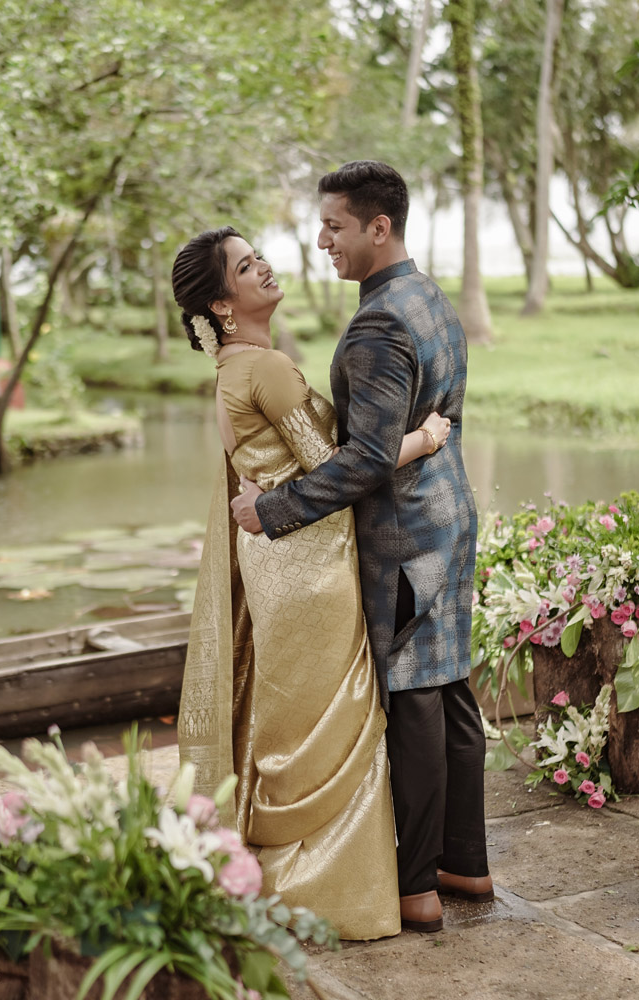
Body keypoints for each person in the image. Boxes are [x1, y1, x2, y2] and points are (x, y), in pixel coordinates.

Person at [231, 161, 493, 933]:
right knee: (450, 691)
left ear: (379, 227)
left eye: (334, 226)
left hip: (405, 536)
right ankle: (466, 863)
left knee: (413, 701)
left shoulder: (378, 324)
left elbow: (367, 460)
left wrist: (271, 509)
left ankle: (415, 887)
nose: (322, 241)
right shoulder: (428, 297)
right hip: (449, 516)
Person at [172, 225, 450, 940]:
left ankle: (284, 880)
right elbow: (338, 469)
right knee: (333, 729)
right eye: (245, 266)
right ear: (221, 304)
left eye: (257, 256)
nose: (264, 267)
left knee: (291, 723)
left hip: (275, 566)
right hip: (309, 571)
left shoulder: (232, 369)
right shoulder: (266, 368)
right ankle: (328, 897)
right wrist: (424, 439)